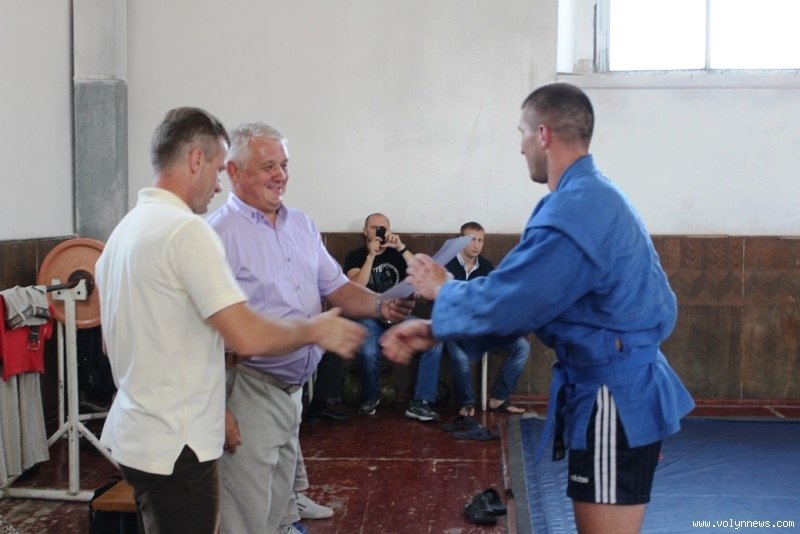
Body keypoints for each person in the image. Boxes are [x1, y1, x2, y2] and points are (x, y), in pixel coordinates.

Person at [380, 83, 695, 534]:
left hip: (614, 395)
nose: (521, 146)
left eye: (522, 133)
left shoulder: (578, 207)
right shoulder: (595, 197)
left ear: (543, 134)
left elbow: (515, 301)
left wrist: (445, 289)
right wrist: (435, 330)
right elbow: (534, 298)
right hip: (617, 385)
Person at [95, 107, 366, 534]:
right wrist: (316, 329)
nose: (218, 184)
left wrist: (214, 350)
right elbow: (247, 335)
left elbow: (113, 344)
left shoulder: (125, 231)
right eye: (219, 169)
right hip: (179, 440)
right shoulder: (188, 231)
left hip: (138, 435)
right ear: (196, 160)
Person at [206, 123, 413, 534]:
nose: (280, 175)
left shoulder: (300, 223)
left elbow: (336, 287)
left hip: (294, 392)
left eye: (284, 165)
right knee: (244, 518)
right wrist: (218, 408)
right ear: (233, 171)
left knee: (277, 512)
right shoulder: (217, 234)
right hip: (249, 389)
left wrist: (381, 305)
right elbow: (205, 329)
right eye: (268, 166)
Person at [344, 213, 443, 422]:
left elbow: (422, 274)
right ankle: (371, 397)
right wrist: (370, 257)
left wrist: (401, 248)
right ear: (365, 231)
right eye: (374, 227)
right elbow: (355, 288)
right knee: (368, 349)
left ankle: (420, 403)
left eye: (383, 228)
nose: (379, 232)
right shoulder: (355, 256)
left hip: (397, 315)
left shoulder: (397, 255)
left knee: (433, 338)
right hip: (369, 315)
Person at [444, 222, 530, 416]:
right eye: (472, 240)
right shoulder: (446, 265)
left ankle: (499, 398)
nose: (477, 245)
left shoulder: (485, 266)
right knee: (460, 357)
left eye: (480, 240)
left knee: (522, 347)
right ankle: (467, 402)